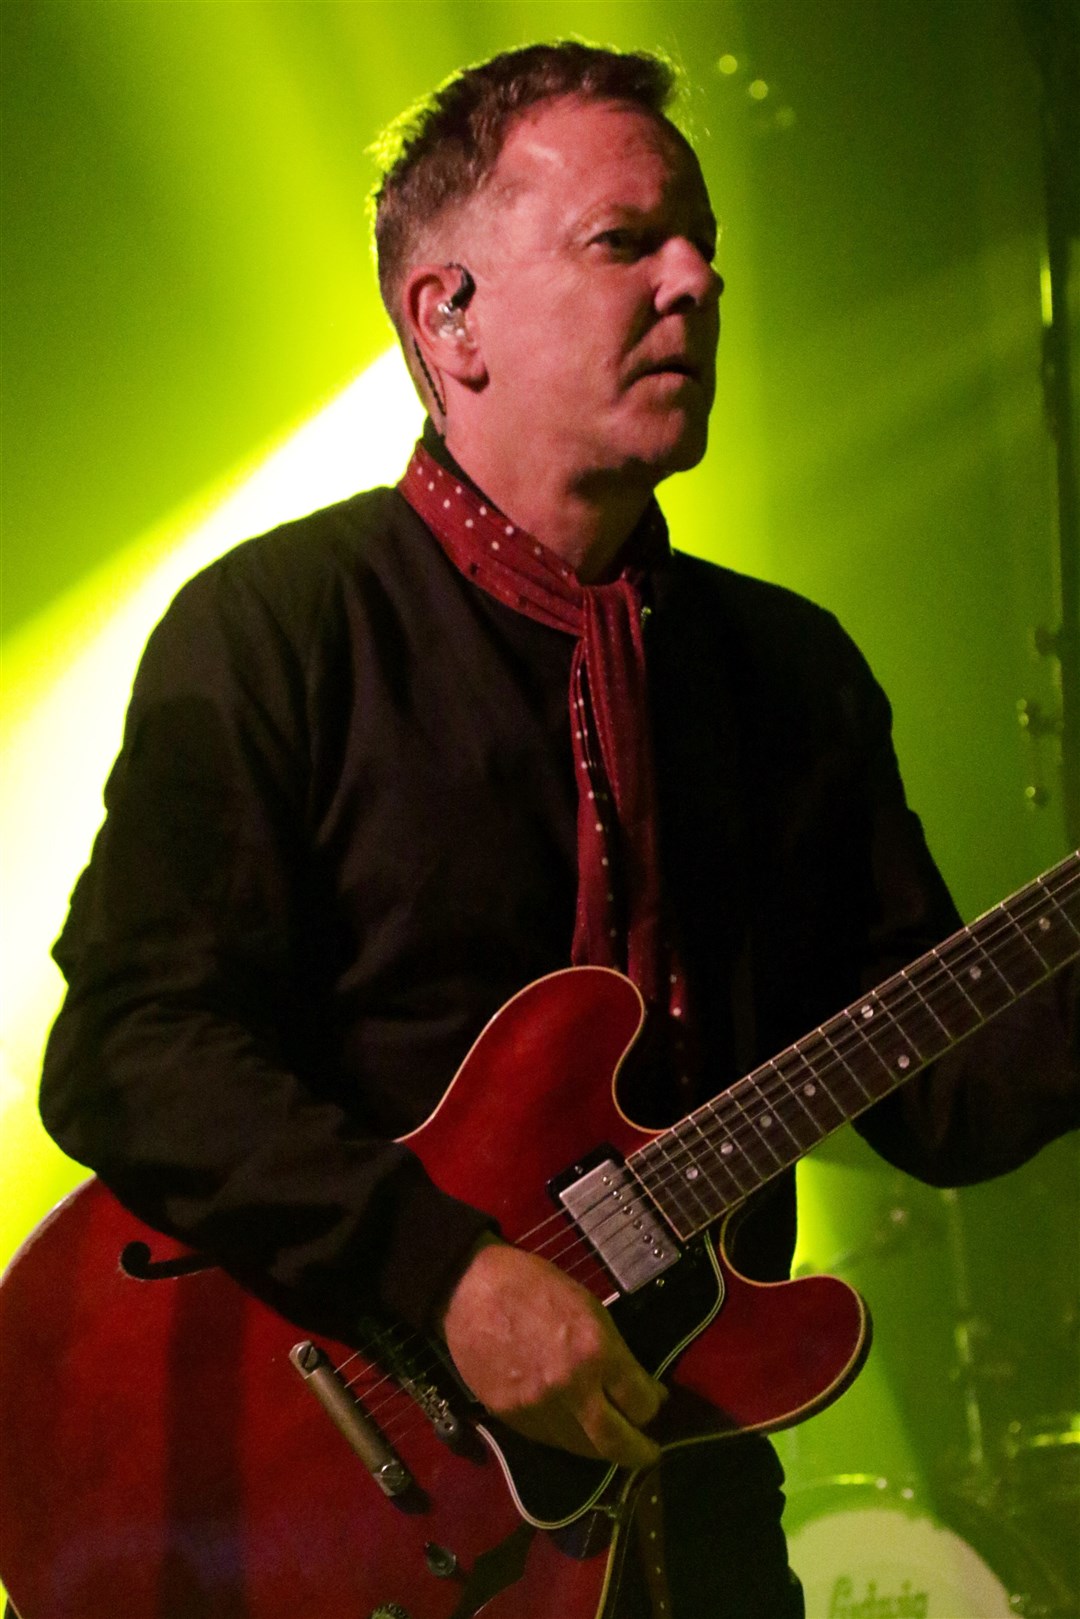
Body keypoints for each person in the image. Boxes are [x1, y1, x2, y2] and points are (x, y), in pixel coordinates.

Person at [39, 41, 1078, 1619]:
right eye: (628, 240)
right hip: (347, 1515)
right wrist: (444, 1279)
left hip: (692, 1492)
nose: (699, 279)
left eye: (705, 239)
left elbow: (935, 1097)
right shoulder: (277, 627)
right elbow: (126, 1047)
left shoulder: (787, 673)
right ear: (444, 314)